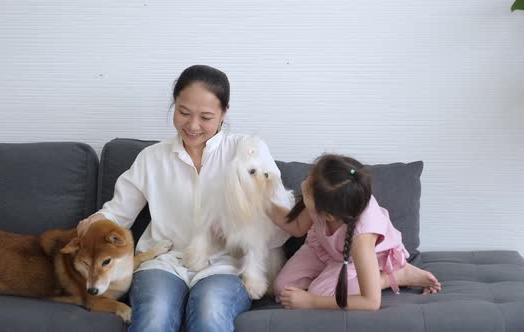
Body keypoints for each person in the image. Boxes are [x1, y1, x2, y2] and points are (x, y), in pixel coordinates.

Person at [77, 65, 291, 331]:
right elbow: (118, 212)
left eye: (206, 116)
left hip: (227, 265)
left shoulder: (247, 149)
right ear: (174, 106)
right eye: (184, 112)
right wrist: (95, 221)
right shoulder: (152, 158)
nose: (192, 125)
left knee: (211, 309)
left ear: (224, 112)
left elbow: (282, 221)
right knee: (155, 313)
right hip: (164, 261)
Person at [270, 154, 442, 310]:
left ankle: (395, 275)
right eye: (308, 178)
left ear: (328, 215)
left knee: (319, 292)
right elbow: (298, 227)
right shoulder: (326, 193)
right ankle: (329, 274)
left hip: (351, 259)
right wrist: (261, 202)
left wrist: (311, 301)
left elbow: (371, 303)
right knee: (282, 288)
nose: (302, 184)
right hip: (324, 248)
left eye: (306, 190)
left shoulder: (362, 237)